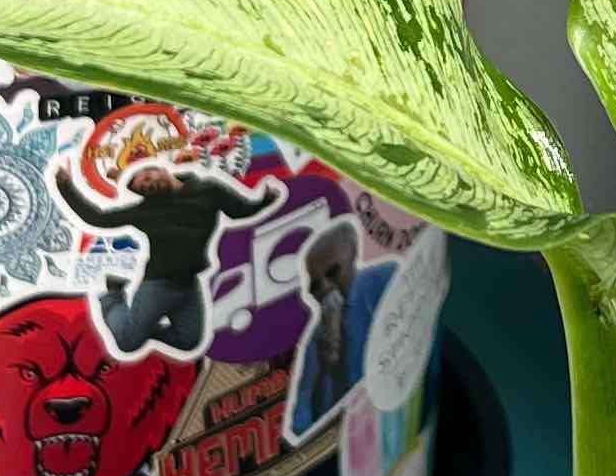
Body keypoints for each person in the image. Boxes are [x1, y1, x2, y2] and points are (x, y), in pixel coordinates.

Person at [94, 163, 273, 358]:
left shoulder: (208, 190)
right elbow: (97, 218)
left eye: (147, 180)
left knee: (189, 341)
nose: (149, 186)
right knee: (127, 343)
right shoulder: (147, 210)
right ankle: (113, 294)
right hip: (158, 286)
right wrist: (66, 186)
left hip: (188, 286)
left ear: (159, 169)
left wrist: (266, 199)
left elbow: (240, 211)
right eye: (143, 189)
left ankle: (141, 332)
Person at [287, 219, 397, 439]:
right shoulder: (316, 338)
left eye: (333, 272)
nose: (326, 288)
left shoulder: (385, 280)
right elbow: (302, 408)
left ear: (354, 254)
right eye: (316, 285)